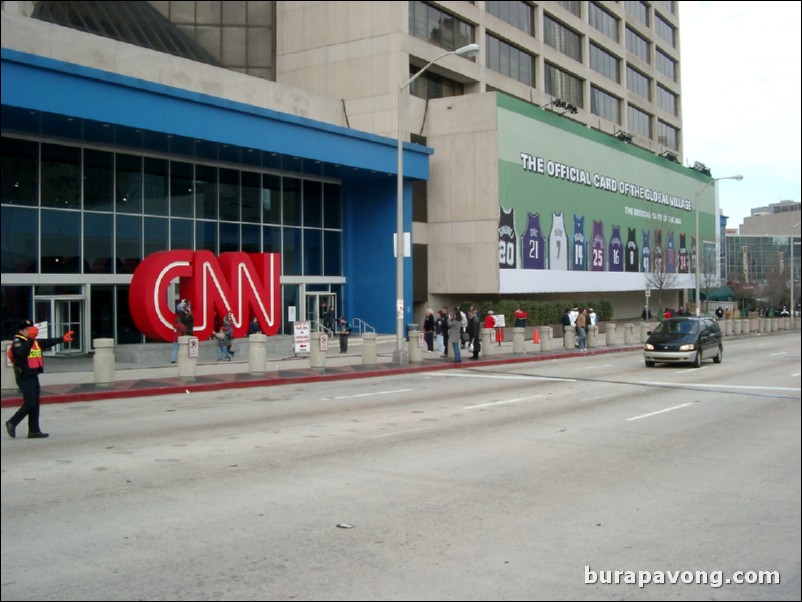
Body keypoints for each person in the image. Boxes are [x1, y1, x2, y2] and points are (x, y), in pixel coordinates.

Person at [6, 319, 74, 439]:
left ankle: (34, 430)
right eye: (28, 329)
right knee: (30, 403)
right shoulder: (18, 341)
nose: (30, 331)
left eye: (31, 329)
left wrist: (62, 339)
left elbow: (46, 342)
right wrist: (31, 338)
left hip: (33, 375)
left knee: (35, 403)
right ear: (21, 331)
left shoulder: (32, 340)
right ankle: (12, 422)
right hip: (24, 376)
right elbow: (21, 353)